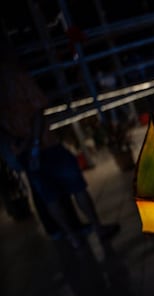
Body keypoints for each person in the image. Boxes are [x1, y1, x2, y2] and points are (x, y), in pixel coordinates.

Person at [0, 46, 119, 249]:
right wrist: (35, 144)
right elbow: (38, 111)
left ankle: (73, 237)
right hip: (44, 144)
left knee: (49, 195)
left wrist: (18, 144)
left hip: (22, 149)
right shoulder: (17, 78)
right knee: (75, 186)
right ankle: (97, 228)